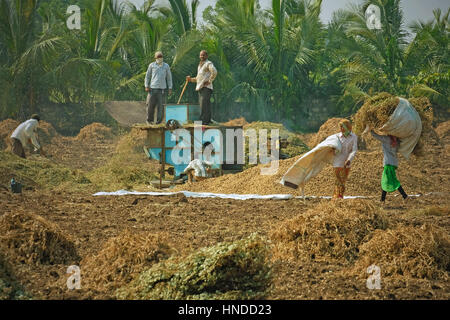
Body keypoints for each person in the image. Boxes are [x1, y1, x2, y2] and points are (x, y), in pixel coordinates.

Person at [369, 128, 408, 203]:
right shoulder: (397, 142)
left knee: (388, 180)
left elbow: (376, 136)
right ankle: (383, 200)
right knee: (387, 180)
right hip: (393, 163)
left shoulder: (387, 139)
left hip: (388, 164)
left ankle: (404, 196)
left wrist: (370, 130)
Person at [186, 50, 217, 125]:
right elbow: (198, 79)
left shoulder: (208, 63)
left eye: (203, 55)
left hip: (206, 87)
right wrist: (190, 80)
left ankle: (204, 120)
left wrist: (209, 81)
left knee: (204, 104)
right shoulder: (200, 66)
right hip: (200, 87)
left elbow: (214, 71)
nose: (201, 56)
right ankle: (207, 120)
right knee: (203, 104)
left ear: (206, 56)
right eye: (200, 55)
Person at [331, 119, 358, 199]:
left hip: (346, 163)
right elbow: (333, 148)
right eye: (340, 127)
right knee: (337, 180)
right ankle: (336, 197)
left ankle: (340, 196)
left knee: (343, 181)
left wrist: (349, 160)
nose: (341, 128)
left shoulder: (353, 137)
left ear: (347, 127)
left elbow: (354, 150)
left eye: (342, 127)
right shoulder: (336, 137)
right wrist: (333, 150)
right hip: (337, 162)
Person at [145, 51, 173, 124]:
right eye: (158, 57)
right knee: (150, 105)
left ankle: (158, 122)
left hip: (162, 90)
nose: (160, 58)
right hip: (152, 89)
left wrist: (170, 87)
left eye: (161, 57)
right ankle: (149, 120)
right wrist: (146, 86)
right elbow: (147, 76)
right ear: (155, 58)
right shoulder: (151, 65)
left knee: (161, 107)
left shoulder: (166, 66)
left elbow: (169, 77)